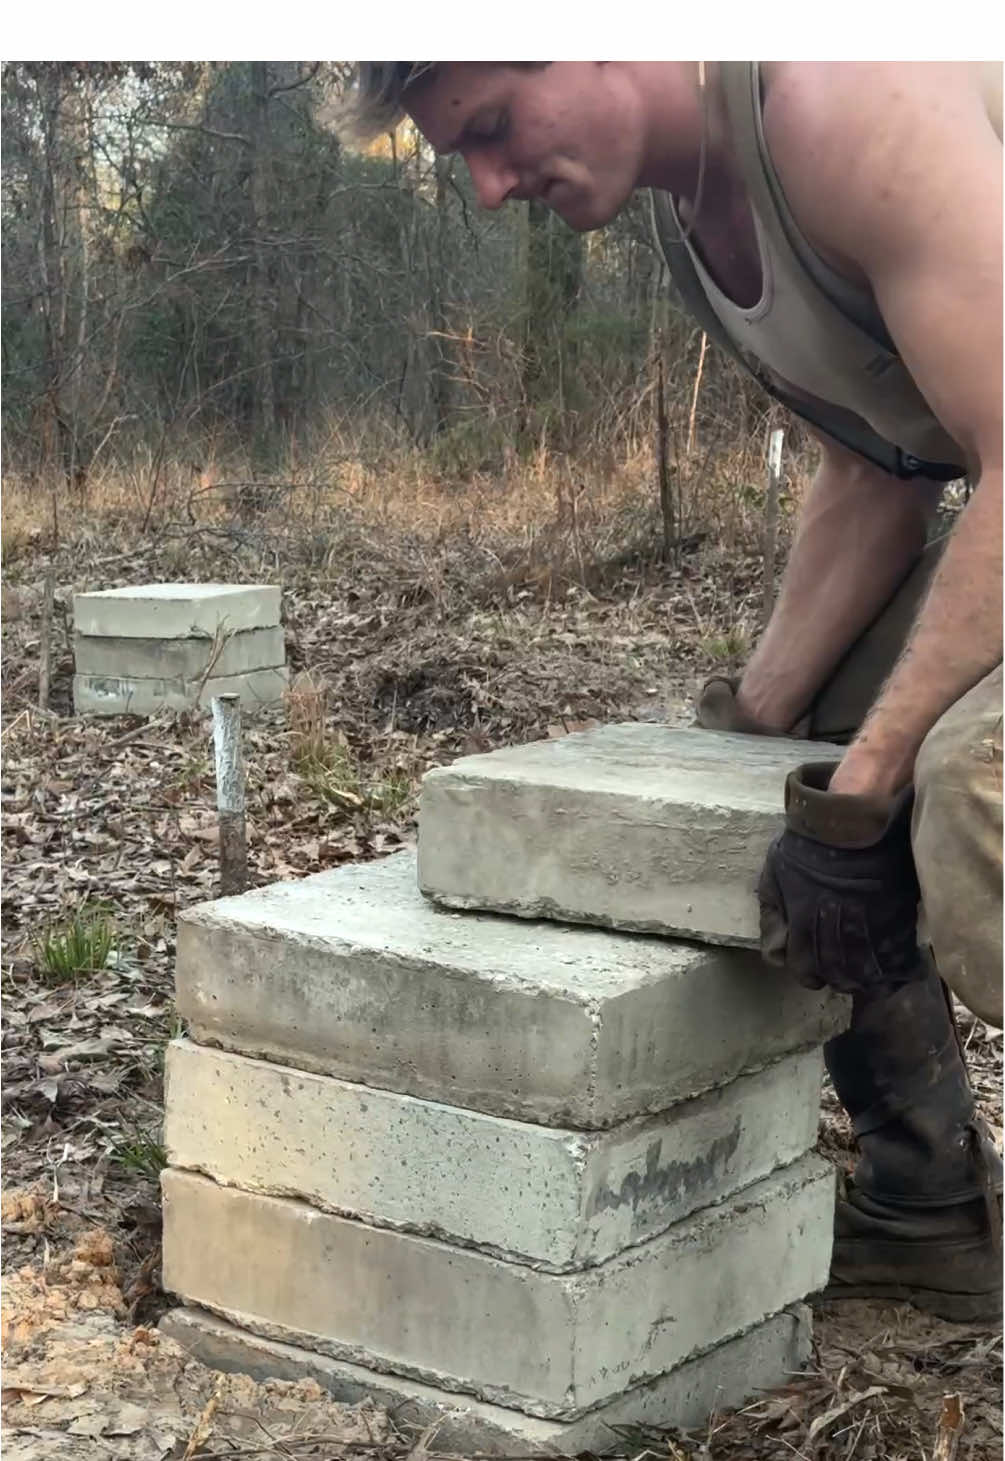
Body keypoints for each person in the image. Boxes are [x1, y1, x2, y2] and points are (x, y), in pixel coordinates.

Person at [346, 62, 1003, 1320]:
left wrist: (864, 800)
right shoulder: (696, 219)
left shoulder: (840, 97)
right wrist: (749, 738)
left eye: (490, 128)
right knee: (795, 758)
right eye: (460, 160)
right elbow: (877, 477)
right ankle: (930, 1206)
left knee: (969, 779)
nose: (488, 191)